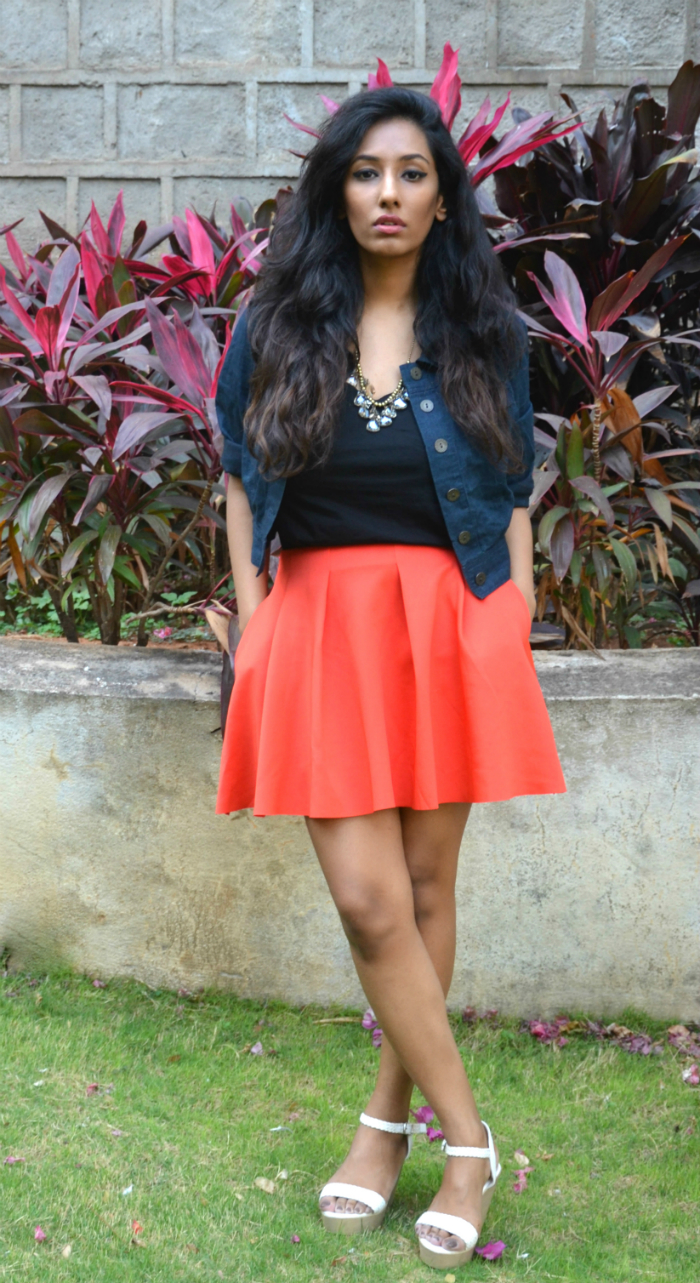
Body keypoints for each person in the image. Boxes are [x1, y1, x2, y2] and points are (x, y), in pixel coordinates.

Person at [215, 86, 566, 1270]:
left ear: (441, 195)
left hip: (447, 621)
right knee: (367, 901)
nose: (388, 195)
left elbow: (512, 479)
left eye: (412, 173)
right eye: (367, 173)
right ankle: (468, 1141)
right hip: (318, 623)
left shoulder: (483, 329)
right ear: (335, 188)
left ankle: (382, 1126)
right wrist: (258, 622)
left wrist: (507, 620)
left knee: (422, 887)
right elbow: (234, 475)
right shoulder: (271, 326)